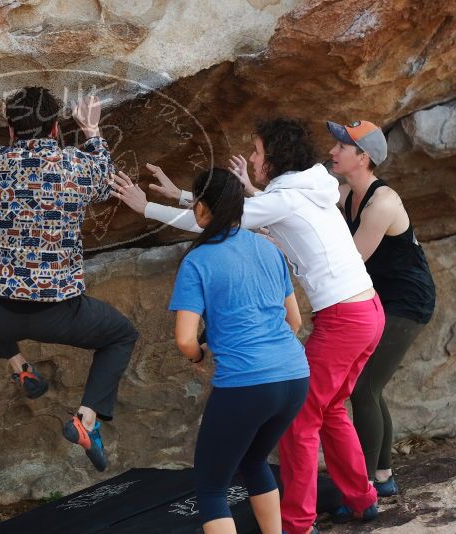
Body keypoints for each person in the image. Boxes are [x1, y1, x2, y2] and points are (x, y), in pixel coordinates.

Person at [112, 118, 384, 534]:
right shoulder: (309, 184)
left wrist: (146, 207)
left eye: (256, 151)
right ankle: (363, 499)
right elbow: (236, 211)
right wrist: (186, 194)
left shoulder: (282, 202)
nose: (252, 159)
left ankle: (297, 523)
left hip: (342, 316)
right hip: (367, 308)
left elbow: (220, 220)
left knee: (301, 424)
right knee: (328, 411)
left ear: (274, 157)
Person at [0, 65, 138, 471]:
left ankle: (20, 367)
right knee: (122, 336)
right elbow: (107, 176)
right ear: (56, 129)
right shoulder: (78, 167)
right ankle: (87, 419)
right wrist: (92, 131)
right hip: (63, 315)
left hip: (2, 312)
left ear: (9, 130)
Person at [139, 167, 309, 534]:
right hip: (295, 375)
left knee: (212, 487)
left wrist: (199, 356)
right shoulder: (268, 248)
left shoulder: (198, 261)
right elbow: (293, 323)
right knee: (253, 461)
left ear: (201, 208)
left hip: (247, 383)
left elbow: (185, 339)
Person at [327, 120, 436, 496]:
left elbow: (352, 260)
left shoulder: (382, 202)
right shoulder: (348, 194)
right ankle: (384, 476)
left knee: (361, 389)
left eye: (342, 147)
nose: (332, 151)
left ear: (364, 157)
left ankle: (365, 484)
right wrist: (250, 189)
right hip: (381, 298)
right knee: (372, 388)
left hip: (407, 302)